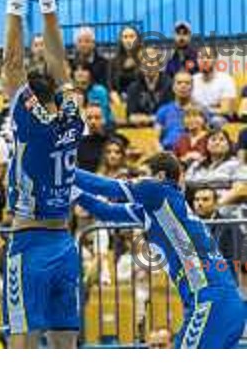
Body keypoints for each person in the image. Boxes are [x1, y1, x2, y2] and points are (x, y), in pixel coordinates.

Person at [74, 152, 246, 348]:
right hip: (224, 302)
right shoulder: (158, 207)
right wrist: (71, 192)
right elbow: (104, 212)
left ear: (160, 177)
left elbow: (107, 187)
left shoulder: (157, 191)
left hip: (208, 300)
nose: (137, 179)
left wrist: (63, 172)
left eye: (143, 174)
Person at [1, 0, 84, 349]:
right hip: (64, 243)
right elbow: (60, 65)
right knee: (67, 344)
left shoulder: (31, 123)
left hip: (30, 243)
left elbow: (12, 63)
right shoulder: (72, 115)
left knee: (23, 343)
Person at [155, 71, 199, 151]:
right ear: (173, 87)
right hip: (168, 152)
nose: (183, 86)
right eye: (179, 83)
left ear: (192, 87)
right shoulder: (163, 111)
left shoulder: (200, 110)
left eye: (187, 83)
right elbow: (155, 139)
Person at [192, 47, 237, 120]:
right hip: (196, 118)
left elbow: (225, 110)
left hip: (219, 118)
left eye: (208, 57)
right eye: (201, 58)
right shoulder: (192, 80)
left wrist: (201, 109)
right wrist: (214, 107)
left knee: (215, 121)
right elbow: (188, 108)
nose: (204, 60)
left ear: (215, 60)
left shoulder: (226, 80)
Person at [77, 104, 108, 172]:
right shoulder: (79, 143)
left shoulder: (111, 142)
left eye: (97, 118)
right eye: (89, 118)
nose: (93, 122)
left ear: (104, 119)